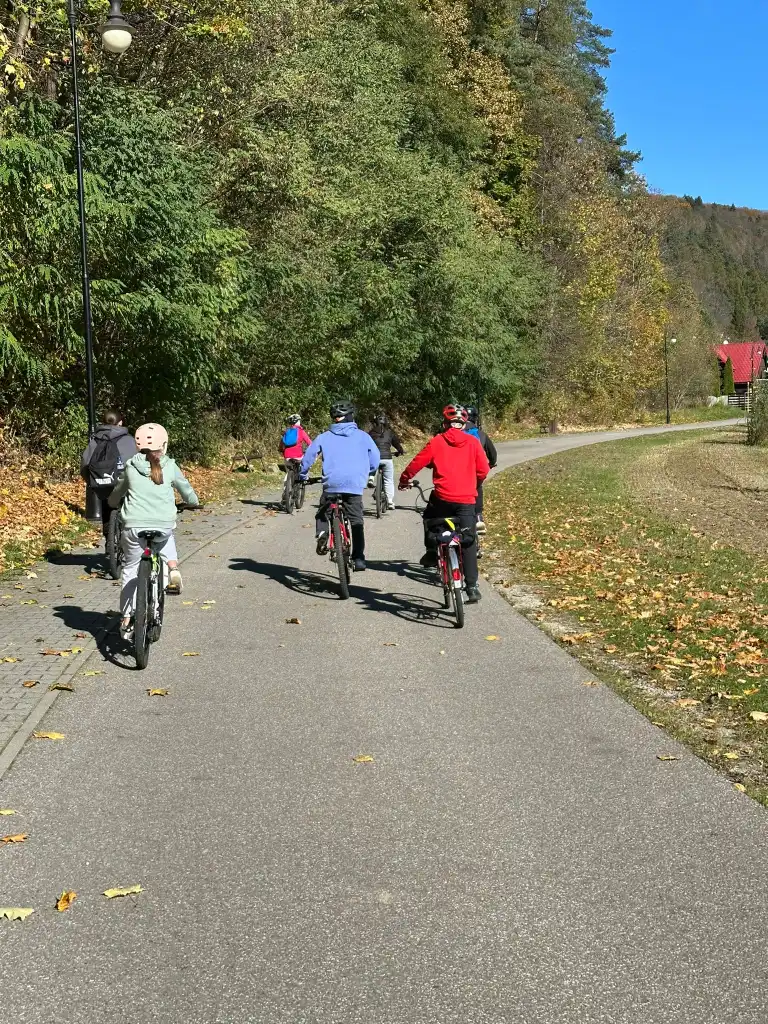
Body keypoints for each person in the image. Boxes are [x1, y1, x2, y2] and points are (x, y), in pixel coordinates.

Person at [108, 423, 199, 638]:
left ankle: (127, 618)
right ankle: (171, 570)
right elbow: (186, 490)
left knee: (130, 569)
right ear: (164, 445)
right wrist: (193, 502)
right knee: (166, 535)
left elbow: (118, 491)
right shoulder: (170, 466)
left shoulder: (131, 466)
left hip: (133, 527)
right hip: (162, 525)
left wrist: (112, 503)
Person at [398, 403, 490, 603]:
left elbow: (416, 463)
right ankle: (472, 587)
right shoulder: (473, 442)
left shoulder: (437, 441)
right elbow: (483, 470)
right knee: (468, 540)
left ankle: (432, 551)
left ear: (445, 423)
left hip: (442, 498)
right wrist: (472, 484)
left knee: (429, 517)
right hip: (466, 501)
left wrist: (404, 480)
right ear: (463, 424)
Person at [299, 400, 379, 571]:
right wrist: (369, 471)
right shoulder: (363, 436)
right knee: (356, 521)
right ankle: (358, 558)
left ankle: (322, 534)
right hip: (354, 484)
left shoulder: (324, 436)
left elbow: (309, 456)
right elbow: (375, 458)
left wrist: (303, 475)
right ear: (351, 416)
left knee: (323, 512)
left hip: (332, 484)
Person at [80, 410, 137, 540]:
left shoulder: (95, 440)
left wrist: (91, 481)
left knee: (106, 501)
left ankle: (108, 538)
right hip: (125, 483)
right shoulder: (129, 440)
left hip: (103, 482)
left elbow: (85, 464)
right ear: (120, 423)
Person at [464, 405, 497, 534]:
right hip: (475, 471)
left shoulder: (455, 432)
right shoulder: (480, 434)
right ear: (475, 418)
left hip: (458, 470)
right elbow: (492, 453)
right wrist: (491, 463)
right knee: (477, 488)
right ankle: (478, 517)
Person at [367, 412, 404, 510]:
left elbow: (366, 444)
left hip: (375, 458)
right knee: (388, 480)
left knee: (372, 463)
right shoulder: (390, 433)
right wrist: (400, 451)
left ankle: (371, 478)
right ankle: (390, 502)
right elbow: (397, 444)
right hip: (387, 458)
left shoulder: (371, 433)